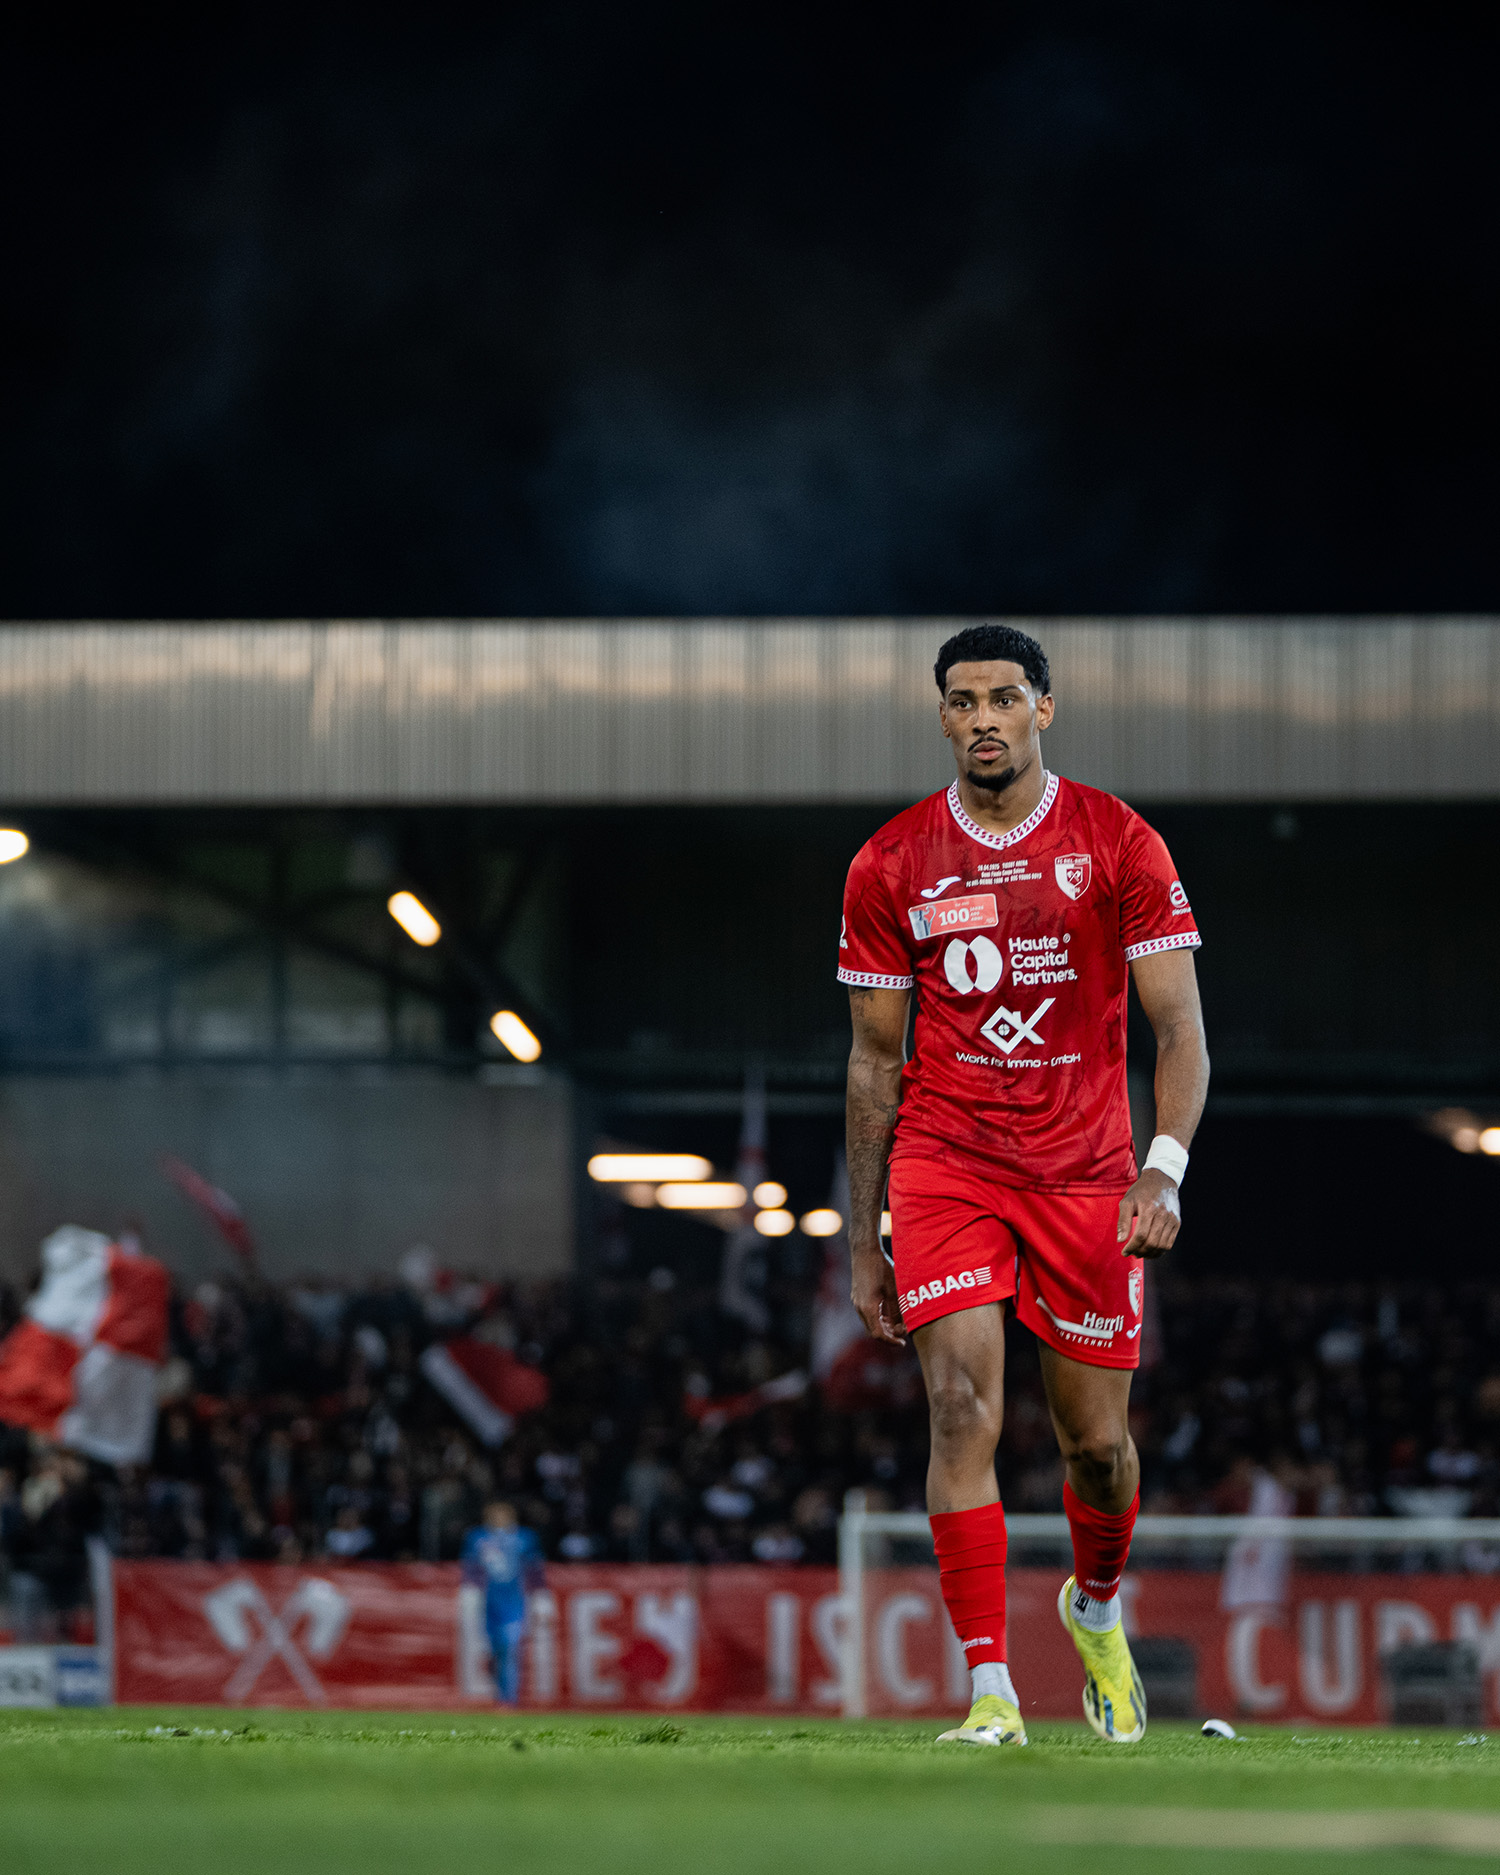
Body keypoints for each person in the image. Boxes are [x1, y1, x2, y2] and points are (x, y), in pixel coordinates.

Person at [839, 623, 1209, 1747]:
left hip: (1088, 1171)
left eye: (1005, 697)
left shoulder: (1116, 841)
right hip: (947, 1161)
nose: (984, 718)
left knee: (1097, 1447)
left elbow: (1180, 1028)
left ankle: (1094, 1610)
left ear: (1046, 707)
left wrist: (1164, 1169)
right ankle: (991, 1691)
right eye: (963, 701)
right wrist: (865, 1242)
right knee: (959, 1411)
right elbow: (870, 1061)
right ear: (941, 716)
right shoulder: (890, 863)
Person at [460, 1499, 544, 1705]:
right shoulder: (477, 1537)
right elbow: (470, 1567)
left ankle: (508, 1699)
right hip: (488, 1602)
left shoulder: (524, 1537)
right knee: (493, 1650)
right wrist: (469, 1589)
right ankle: (501, 1692)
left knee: (510, 1647)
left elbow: (534, 1567)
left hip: (514, 1602)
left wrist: (540, 1593)